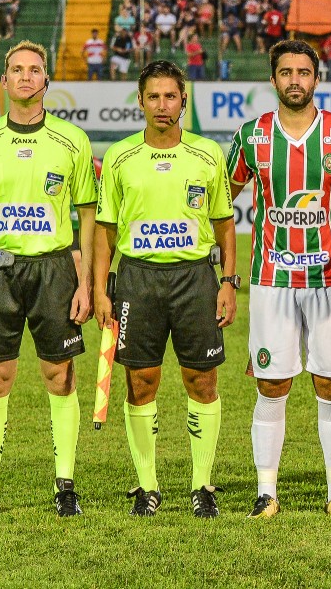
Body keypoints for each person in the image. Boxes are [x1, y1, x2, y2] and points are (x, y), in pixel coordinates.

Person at [0, 40, 97, 517]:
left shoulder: (72, 140)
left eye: (35, 70)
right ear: (5, 80)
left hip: (55, 268)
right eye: (17, 70)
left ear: (47, 81)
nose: (26, 77)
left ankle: (66, 485)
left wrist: (86, 281)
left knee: (60, 374)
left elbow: (88, 216)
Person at [227, 40, 331, 520]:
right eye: (285, 72)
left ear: (317, 78)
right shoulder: (252, 136)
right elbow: (225, 198)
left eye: (303, 72)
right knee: (272, 384)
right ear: (273, 79)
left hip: (330, 278)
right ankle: (266, 492)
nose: (294, 80)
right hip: (271, 281)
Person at [94, 60, 237, 518]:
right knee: (142, 382)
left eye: (170, 96)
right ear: (140, 101)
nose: (162, 105)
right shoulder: (119, 156)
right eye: (153, 96)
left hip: (195, 277)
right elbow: (105, 229)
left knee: (202, 380)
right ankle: (147, 486)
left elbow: (225, 225)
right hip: (137, 277)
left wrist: (229, 282)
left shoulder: (208, 154)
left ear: (183, 101)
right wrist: (100, 289)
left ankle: (202, 486)